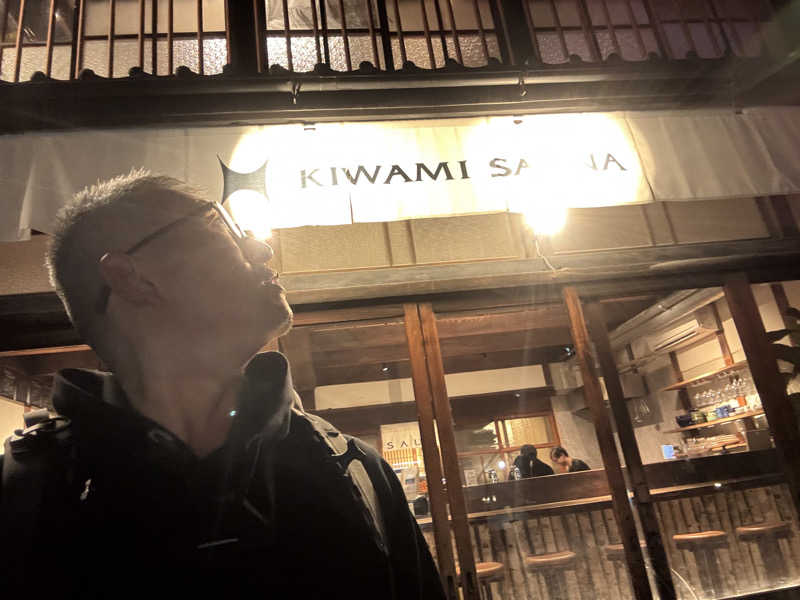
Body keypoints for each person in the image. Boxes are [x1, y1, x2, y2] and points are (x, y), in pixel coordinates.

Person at [0, 171, 445, 599]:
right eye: (222, 227)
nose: (261, 248)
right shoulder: (26, 501)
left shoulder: (354, 469)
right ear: (131, 278)